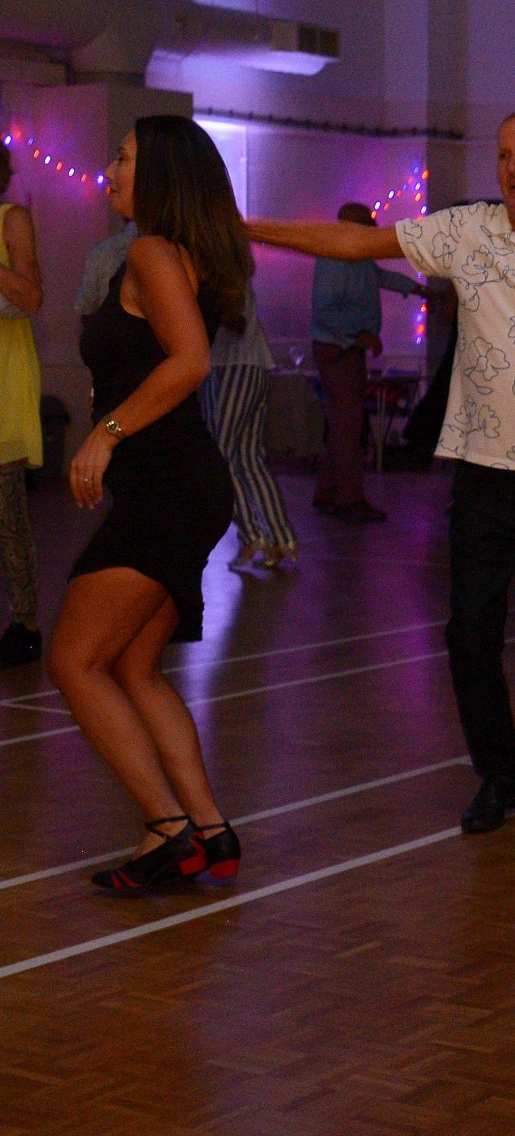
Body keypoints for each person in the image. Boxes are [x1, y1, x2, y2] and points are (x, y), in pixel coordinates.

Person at [250, 110, 515, 834]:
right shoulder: (468, 232)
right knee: (470, 636)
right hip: (484, 477)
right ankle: (498, 774)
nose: (514, 168)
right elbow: (357, 242)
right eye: (504, 155)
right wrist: (245, 227)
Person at [46, 117, 245, 893]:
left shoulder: (152, 252)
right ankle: (210, 828)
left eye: (125, 158)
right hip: (180, 487)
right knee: (133, 666)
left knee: (73, 661)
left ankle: (166, 830)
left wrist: (104, 434)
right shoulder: (171, 252)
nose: (110, 168)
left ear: (160, 171)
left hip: (168, 488)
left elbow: (189, 362)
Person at [309, 202, 425, 524]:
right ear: (353, 230)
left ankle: (328, 492)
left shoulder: (355, 258)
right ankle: (349, 499)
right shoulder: (335, 258)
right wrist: (361, 334)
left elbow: (380, 276)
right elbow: (324, 310)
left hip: (346, 350)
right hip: (340, 350)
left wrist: (418, 289)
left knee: (342, 424)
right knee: (349, 427)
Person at [200, 281, 299, 571]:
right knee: (249, 458)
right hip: (250, 365)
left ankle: (251, 536)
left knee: (220, 457)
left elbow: (231, 319)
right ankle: (280, 538)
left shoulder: (218, 271)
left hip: (231, 367)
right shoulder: (232, 269)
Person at [0, 144, 45, 669]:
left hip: (5, 380)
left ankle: (25, 624)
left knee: (7, 517)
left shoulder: (12, 219)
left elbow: (33, 297)